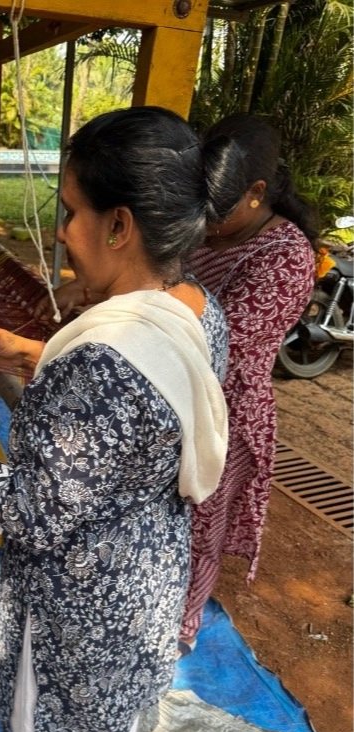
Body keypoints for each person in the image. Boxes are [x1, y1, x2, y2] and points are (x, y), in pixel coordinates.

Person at [0, 106, 245, 732]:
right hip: (150, 565)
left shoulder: (100, 362)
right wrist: (25, 359)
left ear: (119, 226)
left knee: (48, 707)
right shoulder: (199, 312)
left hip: (78, 586)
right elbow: (130, 415)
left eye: (71, 212)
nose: (61, 231)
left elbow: (29, 513)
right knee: (123, 692)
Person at [178, 113, 318, 651]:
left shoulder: (284, 257)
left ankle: (175, 635)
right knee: (164, 520)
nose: (206, 222)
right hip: (174, 390)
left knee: (198, 530)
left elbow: (222, 348)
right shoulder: (211, 227)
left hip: (223, 410)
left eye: (218, 209)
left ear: (257, 192)